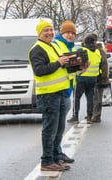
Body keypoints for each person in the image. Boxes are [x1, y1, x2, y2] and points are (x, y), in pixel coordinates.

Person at [28, 19, 75, 171]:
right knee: (50, 129)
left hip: (59, 93)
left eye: (50, 30)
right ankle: (47, 161)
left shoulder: (50, 46)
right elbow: (39, 70)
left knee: (59, 128)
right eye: (45, 31)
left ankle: (55, 157)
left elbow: (61, 68)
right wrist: (59, 63)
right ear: (39, 33)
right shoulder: (37, 49)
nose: (49, 33)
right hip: (48, 95)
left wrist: (76, 66)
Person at [52, 20, 78, 163]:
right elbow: (56, 64)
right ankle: (53, 155)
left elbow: (72, 69)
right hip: (57, 90)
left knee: (60, 126)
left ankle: (58, 152)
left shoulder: (72, 47)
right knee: (54, 127)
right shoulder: (56, 44)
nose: (70, 35)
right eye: (67, 32)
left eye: (72, 33)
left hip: (67, 90)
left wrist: (81, 67)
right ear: (62, 33)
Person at [67, 34, 101, 124]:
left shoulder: (82, 51)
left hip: (82, 77)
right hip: (93, 78)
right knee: (90, 98)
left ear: (85, 43)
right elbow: (100, 65)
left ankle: (75, 116)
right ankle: (89, 116)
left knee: (77, 97)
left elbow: (75, 63)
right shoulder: (97, 52)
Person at [90, 33, 110, 122]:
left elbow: (104, 64)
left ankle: (96, 116)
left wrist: (103, 77)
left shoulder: (99, 50)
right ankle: (92, 115)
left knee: (97, 98)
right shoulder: (93, 50)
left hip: (99, 78)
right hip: (93, 77)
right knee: (93, 97)